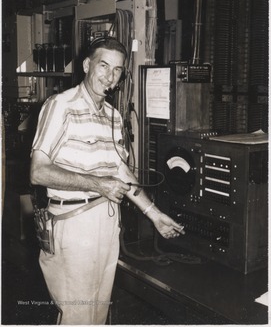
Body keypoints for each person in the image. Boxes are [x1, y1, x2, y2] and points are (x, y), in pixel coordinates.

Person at [30, 37, 184, 325]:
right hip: (73, 223)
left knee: (98, 314)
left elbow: (121, 171)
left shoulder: (112, 116)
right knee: (77, 315)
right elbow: (39, 171)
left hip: (106, 222)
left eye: (117, 70)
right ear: (87, 65)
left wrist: (154, 214)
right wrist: (99, 184)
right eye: (103, 66)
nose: (109, 76)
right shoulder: (59, 106)